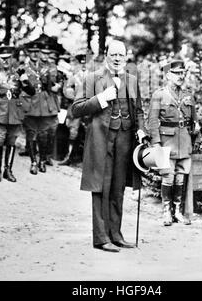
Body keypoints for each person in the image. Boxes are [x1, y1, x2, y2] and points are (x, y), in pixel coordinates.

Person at [72, 40, 147, 252]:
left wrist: (141, 130)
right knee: (100, 186)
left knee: (118, 186)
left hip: (125, 138)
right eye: (113, 54)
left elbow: (139, 110)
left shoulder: (132, 80)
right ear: (106, 55)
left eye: (120, 55)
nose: (116, 58)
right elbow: (76, 109)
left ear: (126, 57)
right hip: (101, 139)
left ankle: (116, 234)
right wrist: (101, 99)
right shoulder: (92, 78)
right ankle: (101, 237)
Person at [148, 59, 200, 226]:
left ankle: (177, 211)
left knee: (180, 178)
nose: (180, 76)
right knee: (167, 177)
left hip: (184, 141)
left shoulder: (188, 96)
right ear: (168, 75)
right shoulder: (159, 95)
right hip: (166, 142)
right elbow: (152, 121)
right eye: (177, 73)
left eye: (182, 73)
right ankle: (166, 212)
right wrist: (155, 143)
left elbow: (194, 121)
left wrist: (196, 134)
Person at [0, 45, 35, 182]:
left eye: (8, 58)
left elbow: (31, 92)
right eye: (2, 58)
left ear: (13, 59)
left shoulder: (20, 73)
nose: (5, 61)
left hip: (15, 111)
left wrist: (25, 81)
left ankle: (7, 170)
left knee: (11, 140)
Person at [22, 40, 61, 174]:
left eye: (37, 52)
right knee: (31, 134)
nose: (34, 54)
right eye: (31, 52)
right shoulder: (23, 68)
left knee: (44, 134)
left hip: (45, 104)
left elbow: (55, 84)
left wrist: (55, 84)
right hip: (30, 104)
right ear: (28, 53)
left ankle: (42, 160)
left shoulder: (50, 67)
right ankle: (33, 162)